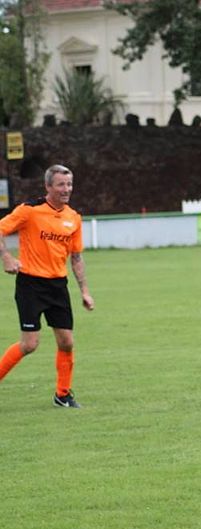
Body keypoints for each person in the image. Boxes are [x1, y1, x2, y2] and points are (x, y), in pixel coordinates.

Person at [0, 164, 94, 407]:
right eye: (61, 184)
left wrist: (84, 291)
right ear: (48, 186)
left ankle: (62, 395)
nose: (67, 189)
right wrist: (7, 257)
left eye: (69, 184)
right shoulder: (30, 211)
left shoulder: (73, 218)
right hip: (30, 285)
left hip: (58, 286)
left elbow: (76, 257)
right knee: (29, 344)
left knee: (67, 342)